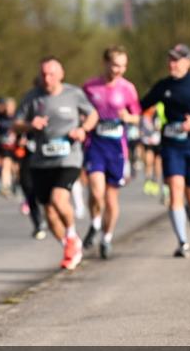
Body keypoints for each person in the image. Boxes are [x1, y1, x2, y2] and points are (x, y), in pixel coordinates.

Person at [15, 57, 98, 270]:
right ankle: (69, 246)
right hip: (41, 160)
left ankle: (71, 235)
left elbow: (92, 114)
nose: (47, 78)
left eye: (51, 74)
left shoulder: (74, 94)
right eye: (43, 74)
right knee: (49, 213)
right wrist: (28, 125)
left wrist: (83, 129)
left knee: (58, 198)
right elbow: (15, 124)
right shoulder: (32, 97)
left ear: (61, 74)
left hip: (69, 157)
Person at [140, 44, 190, 258]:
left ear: (188, 62)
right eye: (170, 59)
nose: (172, 64)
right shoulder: (163, 86)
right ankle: (182, 242)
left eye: (177, 60)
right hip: (171, 145)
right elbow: (141, 105)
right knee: (175, 189)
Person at [81, 46, 142, 259]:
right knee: (96, 191)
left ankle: (107, 238)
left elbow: (138, 116)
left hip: (117, 147)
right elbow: (79, 111)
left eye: (123, 66)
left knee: (111, 198)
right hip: (95, 144)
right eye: (115, 65)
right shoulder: (89, 87)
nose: (119, 70)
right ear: (105, 63)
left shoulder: (128, 88)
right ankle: (95, 223)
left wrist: (128, 118)